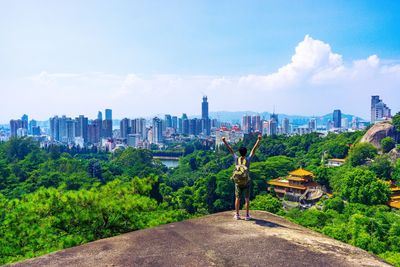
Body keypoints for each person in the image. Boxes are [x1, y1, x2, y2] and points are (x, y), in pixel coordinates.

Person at [222, 134, 262, 220]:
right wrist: (258, 140)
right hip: (246, 182)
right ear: (246, 152)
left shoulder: (236, 159)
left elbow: (230, 150)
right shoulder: (248, 159)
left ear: (239, 152)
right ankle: (247, 215)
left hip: (237, 182)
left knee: (237, 198)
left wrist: (224, 141)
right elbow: (253, 150)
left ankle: (237, 215)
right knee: (247, 199)